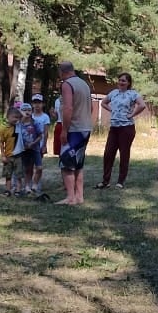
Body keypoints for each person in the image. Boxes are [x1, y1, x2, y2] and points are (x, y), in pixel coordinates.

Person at [97, 73, 147, 189]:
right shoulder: (113, 93)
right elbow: (103, 103)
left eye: (124, 81)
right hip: (114, 128)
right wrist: (112, 110)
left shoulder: (132, 94)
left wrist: (132, 114)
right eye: (120, 80)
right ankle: (105, 181)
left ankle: (120, 181)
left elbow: (142, 105)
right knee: (108, 154)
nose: (121, 82)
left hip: (126, 128)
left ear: (128, 83)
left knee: (124, 154)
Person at [56, 60, 94, 205]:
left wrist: (64, 130)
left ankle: (70, 197)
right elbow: (91, 108)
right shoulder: (84, 84)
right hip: (85, 128)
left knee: (67, 164)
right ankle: (79, 196)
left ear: (62, 72)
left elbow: (68, 108)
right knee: (78, 163)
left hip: (74, 129)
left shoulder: (67, 84)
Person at [13, 102, 44, 196]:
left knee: (39, 168)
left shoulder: (35, 123)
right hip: (23, 150)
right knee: (27, 168)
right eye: (24, 110)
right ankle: (27, 186)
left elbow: (40, 136)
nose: (27, 112)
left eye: (29, 110)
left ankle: (35, 184)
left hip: (35, 148)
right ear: (20, 111)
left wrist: (33, 143)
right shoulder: (18, 124)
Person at [30, 94, 51, 195]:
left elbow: (46, 132)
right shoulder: (30, 116)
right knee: (29, 166)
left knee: (38, 166)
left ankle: (36, 183)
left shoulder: (45, 117)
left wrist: (44, 145)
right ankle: (29, 184)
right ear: (32, 104)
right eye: (35, 103)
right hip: (29, 145)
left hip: (39, 144)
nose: (37, 105)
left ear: (43, 104)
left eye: (39, 103)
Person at [0, 105, 20, 195]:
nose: (16, 119)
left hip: (18, 155)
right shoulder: (3, 130)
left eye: (17, 117)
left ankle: (18, 190)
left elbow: (24, 117)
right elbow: (1, 143)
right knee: (8, 174)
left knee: (19, 174)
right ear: (8, 117)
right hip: (8, 155)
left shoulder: (19, 127)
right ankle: (8, 190)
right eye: (14, 117)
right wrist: (3, 155)